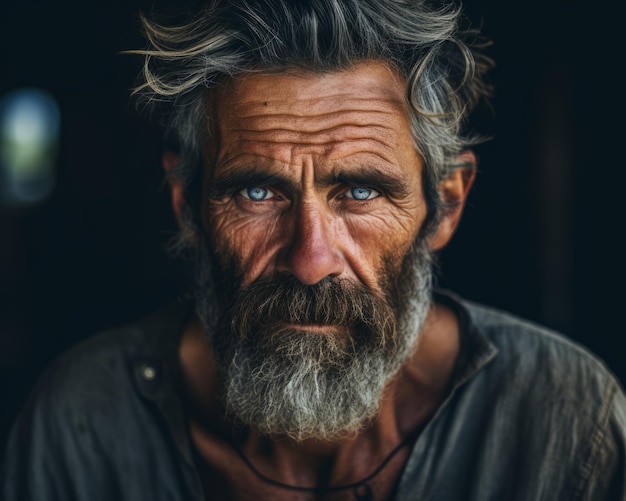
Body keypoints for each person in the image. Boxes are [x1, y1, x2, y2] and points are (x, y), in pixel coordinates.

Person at [2, 0, 625, 499]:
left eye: (359, 190)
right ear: (186, 205)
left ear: (446, 206)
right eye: (256, 190)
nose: (311, 260)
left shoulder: (566, 420)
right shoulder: (82, 422)